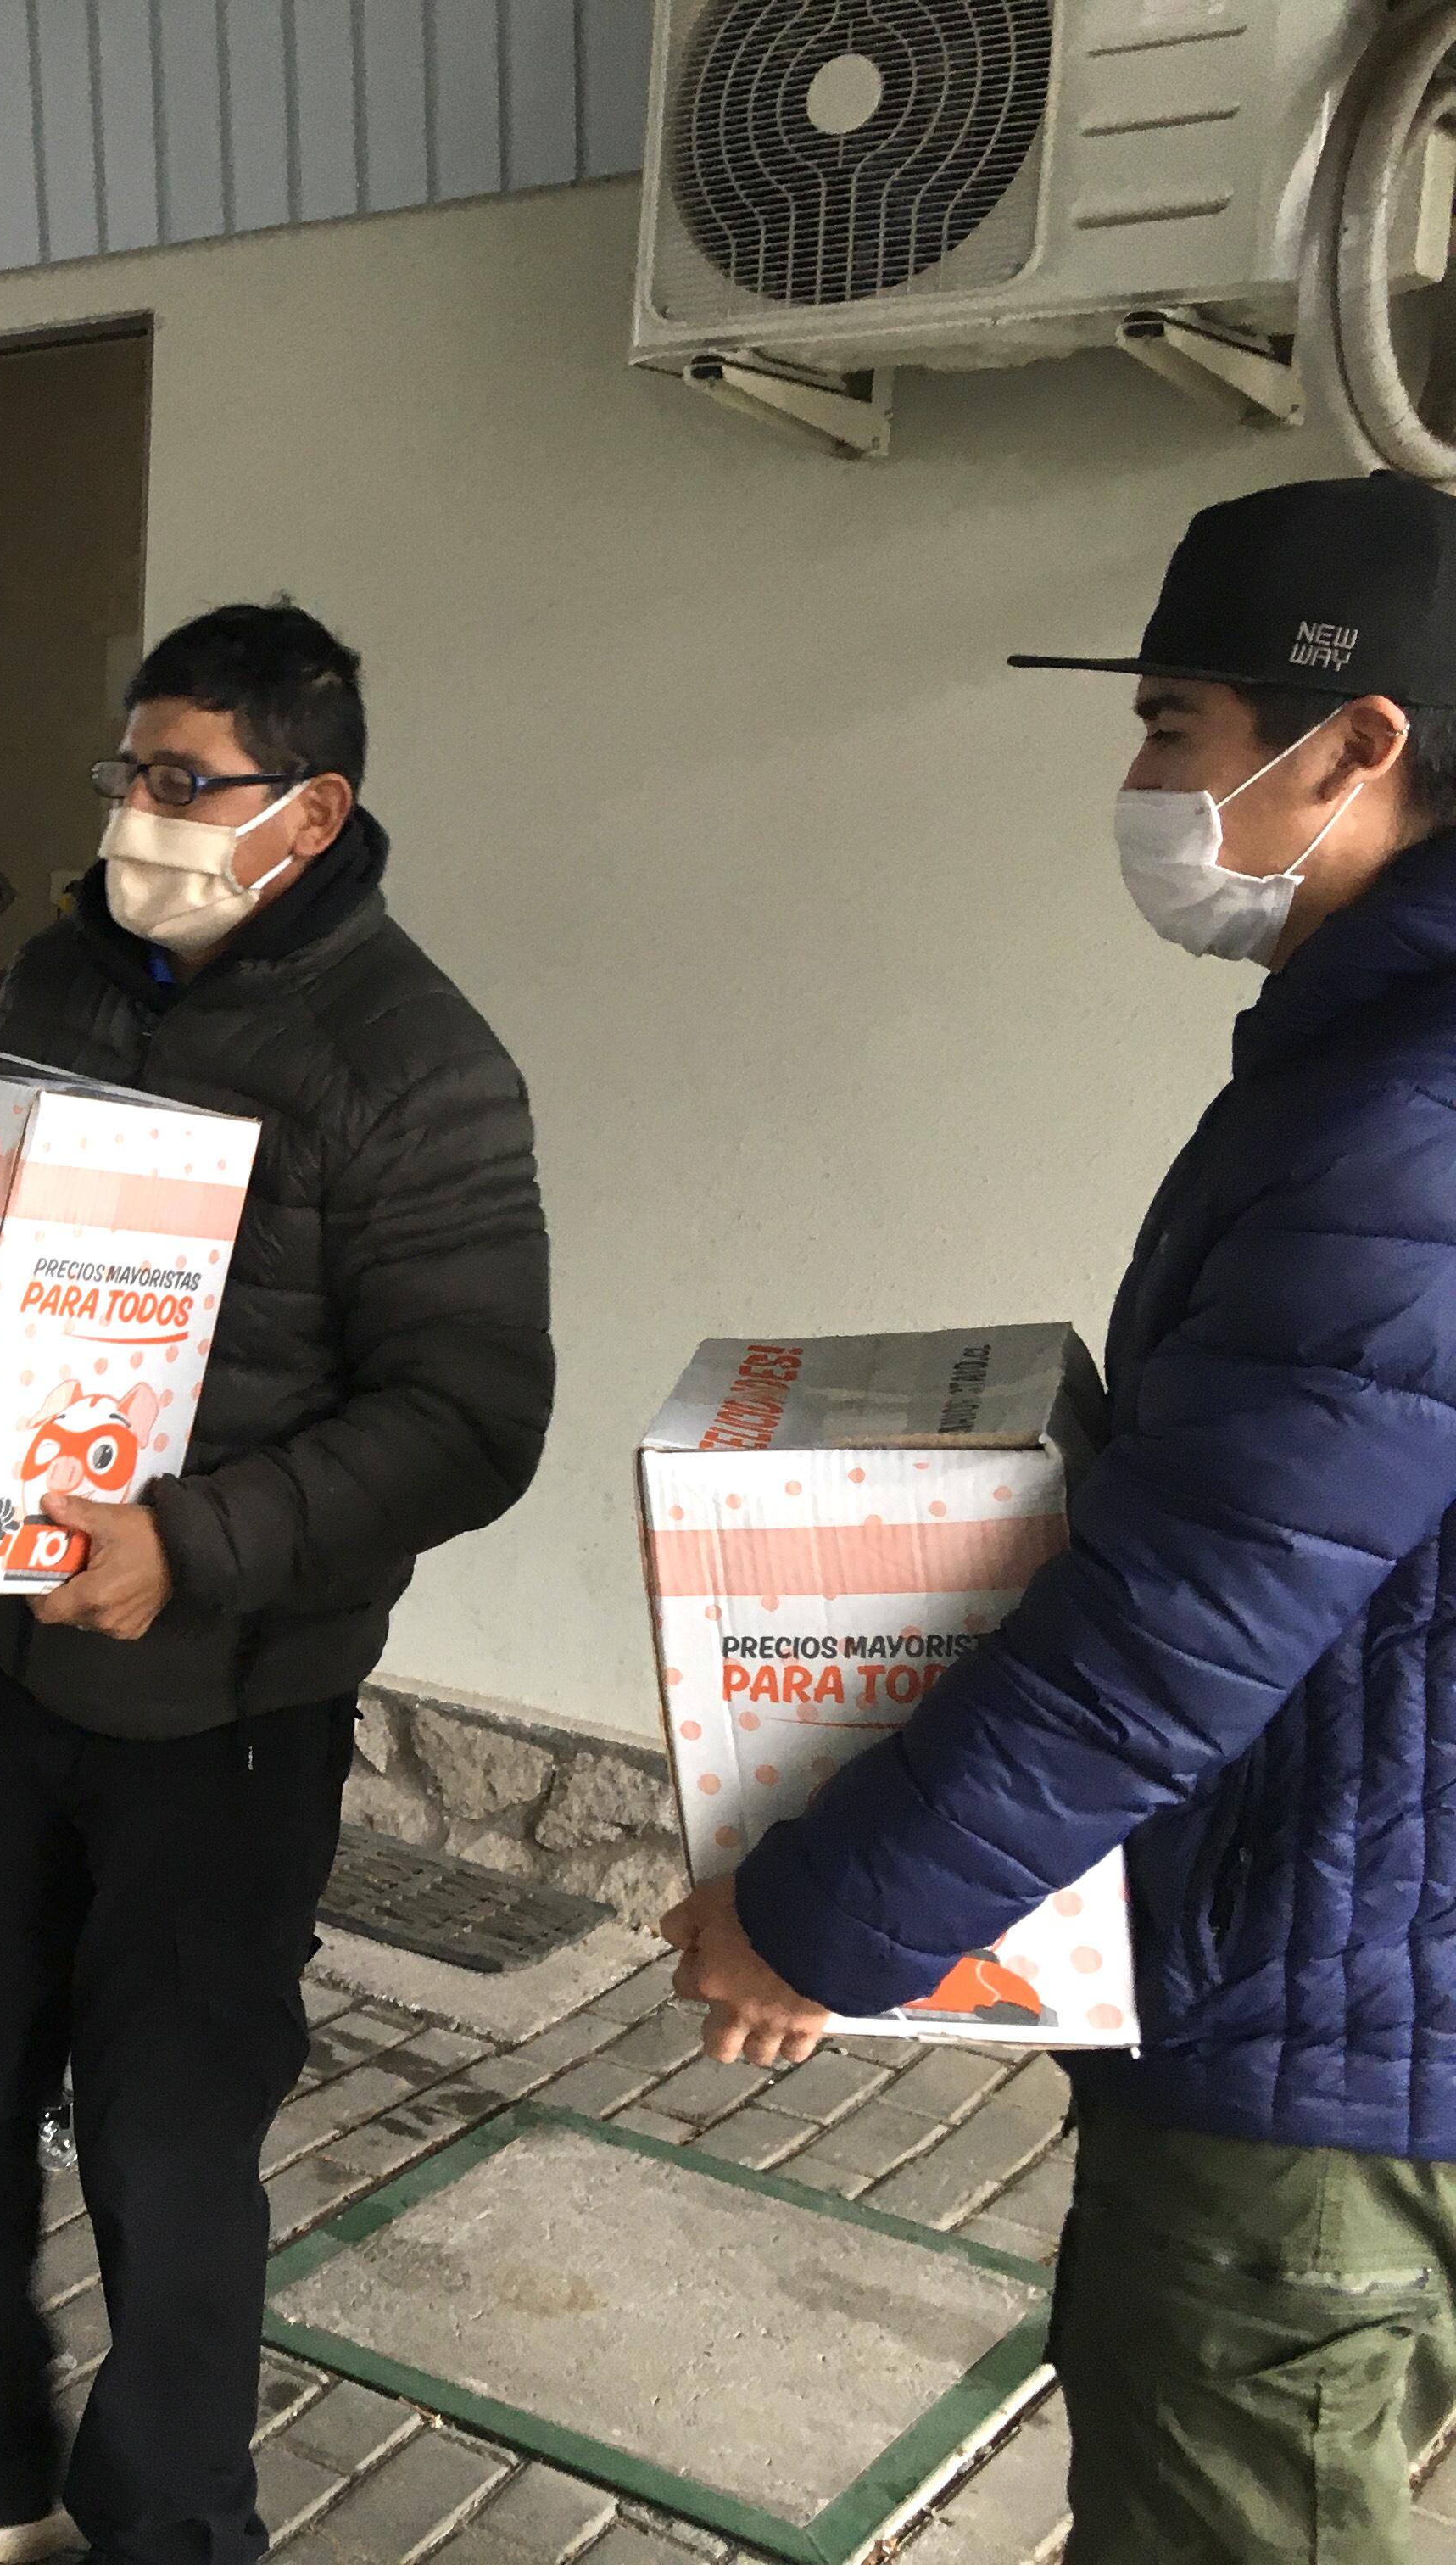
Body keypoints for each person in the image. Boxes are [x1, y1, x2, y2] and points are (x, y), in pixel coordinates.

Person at [663, 472, 1456, 2565]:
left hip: (1317, 2048)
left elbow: (1178, 1634)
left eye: (1174, 730)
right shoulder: (1371, 1063)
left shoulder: (1409, 1121)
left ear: (1357, 743)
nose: (1138, 783)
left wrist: (825, 1915)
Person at [0, 604, 555, 2565]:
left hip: (229, 1714)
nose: (139, 816)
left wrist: (193, 1547)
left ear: (312, 808)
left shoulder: (419, 1064)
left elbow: (473, 1415)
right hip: (14, 1678)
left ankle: (175, 2523)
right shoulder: (57, 975)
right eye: (130, 774)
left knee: (168, 2156)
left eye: (187, 783)